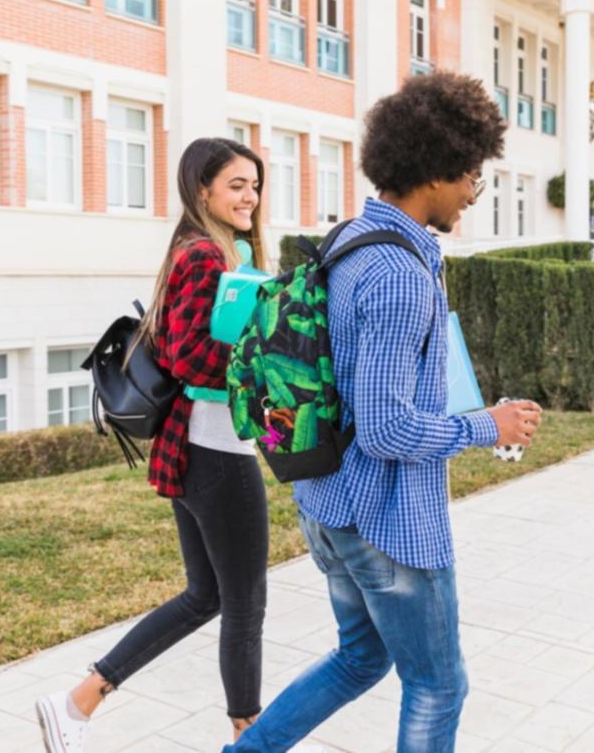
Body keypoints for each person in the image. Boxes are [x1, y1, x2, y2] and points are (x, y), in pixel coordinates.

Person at [228, 73, 542, 752]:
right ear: (436, 169)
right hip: (387, 523)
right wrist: (489, 425)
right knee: (438, 685)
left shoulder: (351, 239)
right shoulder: (400, 275)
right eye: (472, 176)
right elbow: (386, 429)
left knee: (361, 656)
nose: (473, 193)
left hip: (326, 504)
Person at [35, 137, 271, 752]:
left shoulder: (205, 250)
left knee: (206, 596)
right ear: (202, 190)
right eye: (236, 185)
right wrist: (262, 359)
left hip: (195, 450)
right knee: (244, 604)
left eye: (254, 185)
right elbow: (190, 355)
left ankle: (77, 702)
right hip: (215, 451)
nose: (249, 196)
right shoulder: (204, 256)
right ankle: (249, 738)